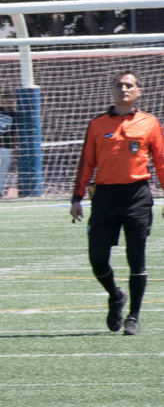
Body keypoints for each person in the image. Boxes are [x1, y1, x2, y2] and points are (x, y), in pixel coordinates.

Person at [70, 69, 164, 335]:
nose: (124, 89)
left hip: (137, 196)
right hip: (105, 197)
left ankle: (133, 317)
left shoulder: (150, 123)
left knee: (137, 259)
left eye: (129, 85)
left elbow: (161, 162)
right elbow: (87, 162)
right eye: (119, 85)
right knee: (97, 259)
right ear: (112, 90)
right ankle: (115, 295)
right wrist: (77, 197)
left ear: (139, 91)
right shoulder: (97, 124)